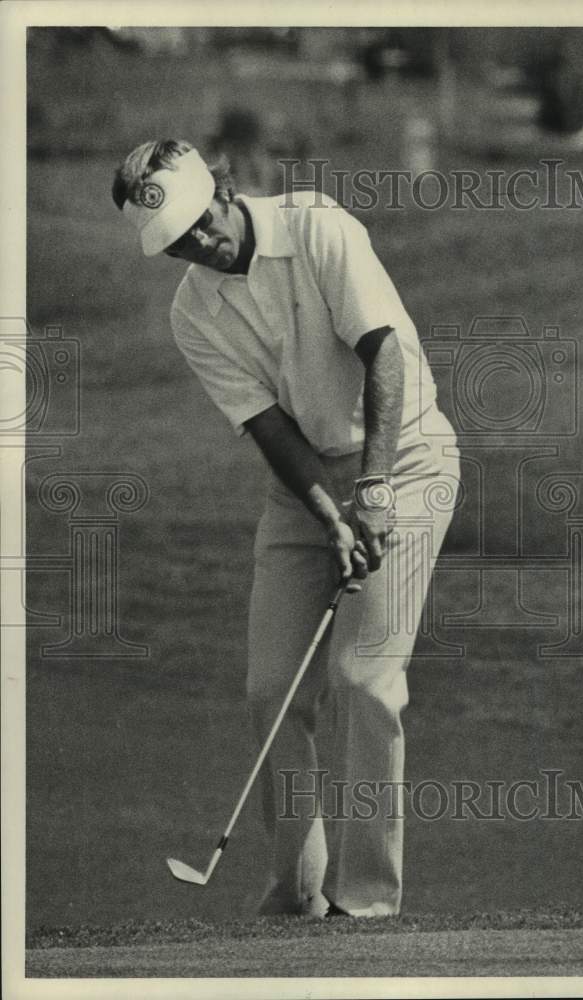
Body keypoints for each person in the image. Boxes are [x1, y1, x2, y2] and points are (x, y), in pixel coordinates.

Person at [112, 139, 460, 918]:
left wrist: (372, 492)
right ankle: (295, 897)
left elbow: (385, 354)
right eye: (174, 242)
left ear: (222, 190)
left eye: (198, 223)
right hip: (302, 481)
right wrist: (330, 513)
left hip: (404, 458)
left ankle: (365, 900)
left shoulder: (316, 227)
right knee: (271, 686)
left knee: (362, 678)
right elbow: (268, 425)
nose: (195, 244)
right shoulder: (192, 312)